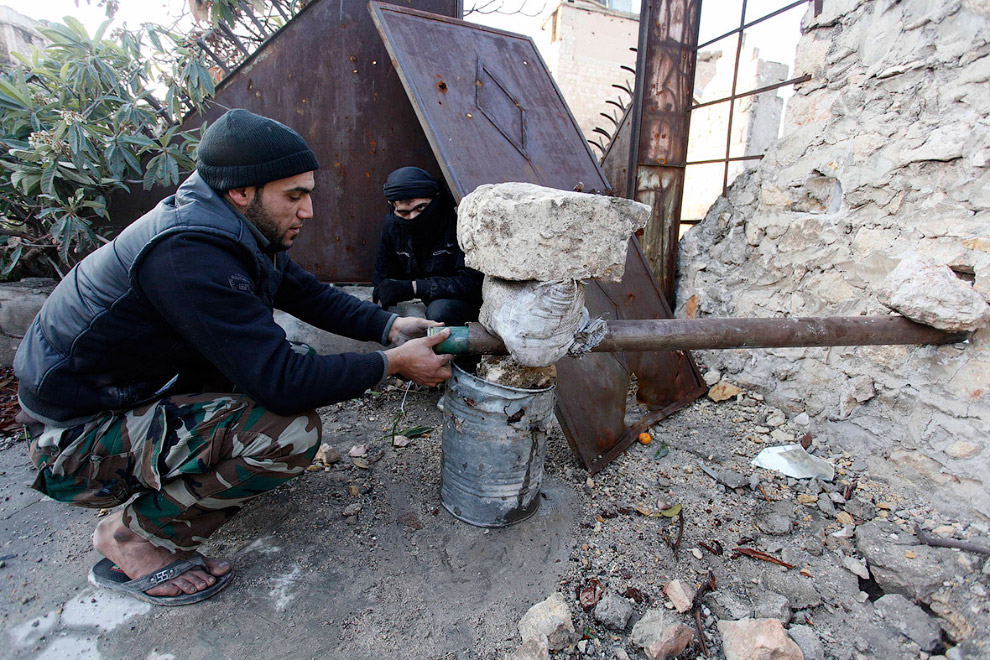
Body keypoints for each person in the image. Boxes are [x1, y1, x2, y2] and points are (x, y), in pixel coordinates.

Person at [13, 109, 453, 606]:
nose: (308, 211)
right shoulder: (188, 253)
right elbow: (282, 382)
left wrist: (388, 327)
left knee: (295, 363)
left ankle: (189, 484)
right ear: (242, 191)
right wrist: (394, 363)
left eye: (308, 194)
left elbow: (302, 291)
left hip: (123, 393)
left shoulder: (229, 223)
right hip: (72, 440)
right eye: (294, 196)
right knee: (288, 432)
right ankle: (132, 536)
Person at [372, 167, 483, 326]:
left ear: (435, 199)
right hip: (427, 299)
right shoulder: (393, 226)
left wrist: (415, 287)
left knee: (439, 311)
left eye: (421, 208)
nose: (413, 217)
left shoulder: (456, 221)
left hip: (463, 302)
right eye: (403, 213)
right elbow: (382, 277)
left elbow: (472, 283)